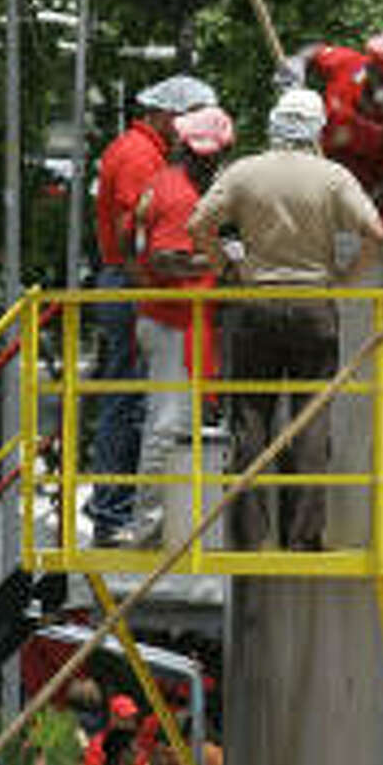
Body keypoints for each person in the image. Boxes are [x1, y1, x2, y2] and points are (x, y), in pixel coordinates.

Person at [188, 86, 383, 549]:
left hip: (255, 303)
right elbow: (376, 232)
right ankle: (303, 537)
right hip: (314, 304)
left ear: (274, 126)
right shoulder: (332, 177)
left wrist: (227, 267)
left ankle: (247, 537)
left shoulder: (244, 173)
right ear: (316, 130)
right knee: (311, 422)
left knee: (249, 421)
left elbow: (198, 224)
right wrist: (345, 279)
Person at [89, 74, 218, 543]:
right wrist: (148, 282)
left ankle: (115, 509)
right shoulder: (140, 156)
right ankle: (114, 513)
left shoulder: (140, 151)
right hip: (134, 288)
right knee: (127, 402)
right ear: (169, 115)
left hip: (131, 284)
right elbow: (136, 234)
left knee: (133, 401)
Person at [117, 105, 236, 547]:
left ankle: (169, 525)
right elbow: (166, 258)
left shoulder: (164, 183)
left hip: (179, 319)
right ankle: (151, 529)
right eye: (206, 153)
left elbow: (128, 238)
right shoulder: (179, 192)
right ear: (188, 149)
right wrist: (223, 261)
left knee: (177, 424)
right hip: (176, 323)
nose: (211, 161)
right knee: (167, 425)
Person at [307, 29, 383, 226]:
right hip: (316, 185)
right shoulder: (349, 66)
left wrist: (353, 213)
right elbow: (314, 52)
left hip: (366, 211)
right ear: (370, 70)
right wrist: (295, 65)